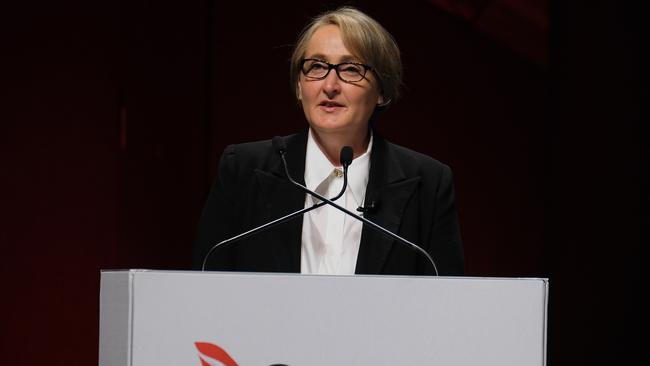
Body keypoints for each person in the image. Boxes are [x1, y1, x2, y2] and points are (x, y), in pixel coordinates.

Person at [192, 6, 464, 276]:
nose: (330, 85)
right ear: (300, 86)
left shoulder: (428, 184)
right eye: (317, 66)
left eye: (350, 69)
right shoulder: (243, 171)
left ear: (382, 89)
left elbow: (445, 303)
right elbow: (205, 289)